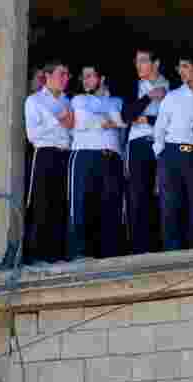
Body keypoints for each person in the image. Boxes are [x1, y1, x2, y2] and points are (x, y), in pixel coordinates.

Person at [154, 51, 193, 251]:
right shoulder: (172, 96)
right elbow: (160, 129)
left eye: (186, 66)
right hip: (171, 154)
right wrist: (161, 153)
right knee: (170, 205)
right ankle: (172, 251)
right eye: (180, 67)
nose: (181, 71)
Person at [69, 66, 126, 260]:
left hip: (112, 157)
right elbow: (82, 120)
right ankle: (80, 253)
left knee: (110, 206)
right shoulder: (78, 100)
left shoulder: (117, 101)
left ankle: (109, 255)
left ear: (102, 78)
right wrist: (109, 121)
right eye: (83, 77)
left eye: (90, 76)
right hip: (85, 155)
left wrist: (111, 120)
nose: (85, 81)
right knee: (83, 204)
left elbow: (121, 122)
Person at [24, 62, 74, 265]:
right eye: (61, 74)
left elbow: (72, 130)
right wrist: (59, 121)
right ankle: (37, 254)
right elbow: (33, 134)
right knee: (41, 203)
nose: (65, 78)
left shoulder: (68, 101)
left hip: (65, 154)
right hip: (44, 154)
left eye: (67, 75)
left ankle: (56, 254)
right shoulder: (34, 100)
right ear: (47, 76)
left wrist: (56, 122)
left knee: (61, 203)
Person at [122, 48, 170, 256]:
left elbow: (175, 118)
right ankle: (139, 247)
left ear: (156, 63)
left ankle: (160, 245)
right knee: (138, 194)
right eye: (136, 61)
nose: (138, 65)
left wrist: (148, 119)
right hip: (138, 144)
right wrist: (149, 97)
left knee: (163, 193)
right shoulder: (133, 86)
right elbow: (127, 115)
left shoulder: (171, 85)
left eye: (143, 61)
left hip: (163, 144)